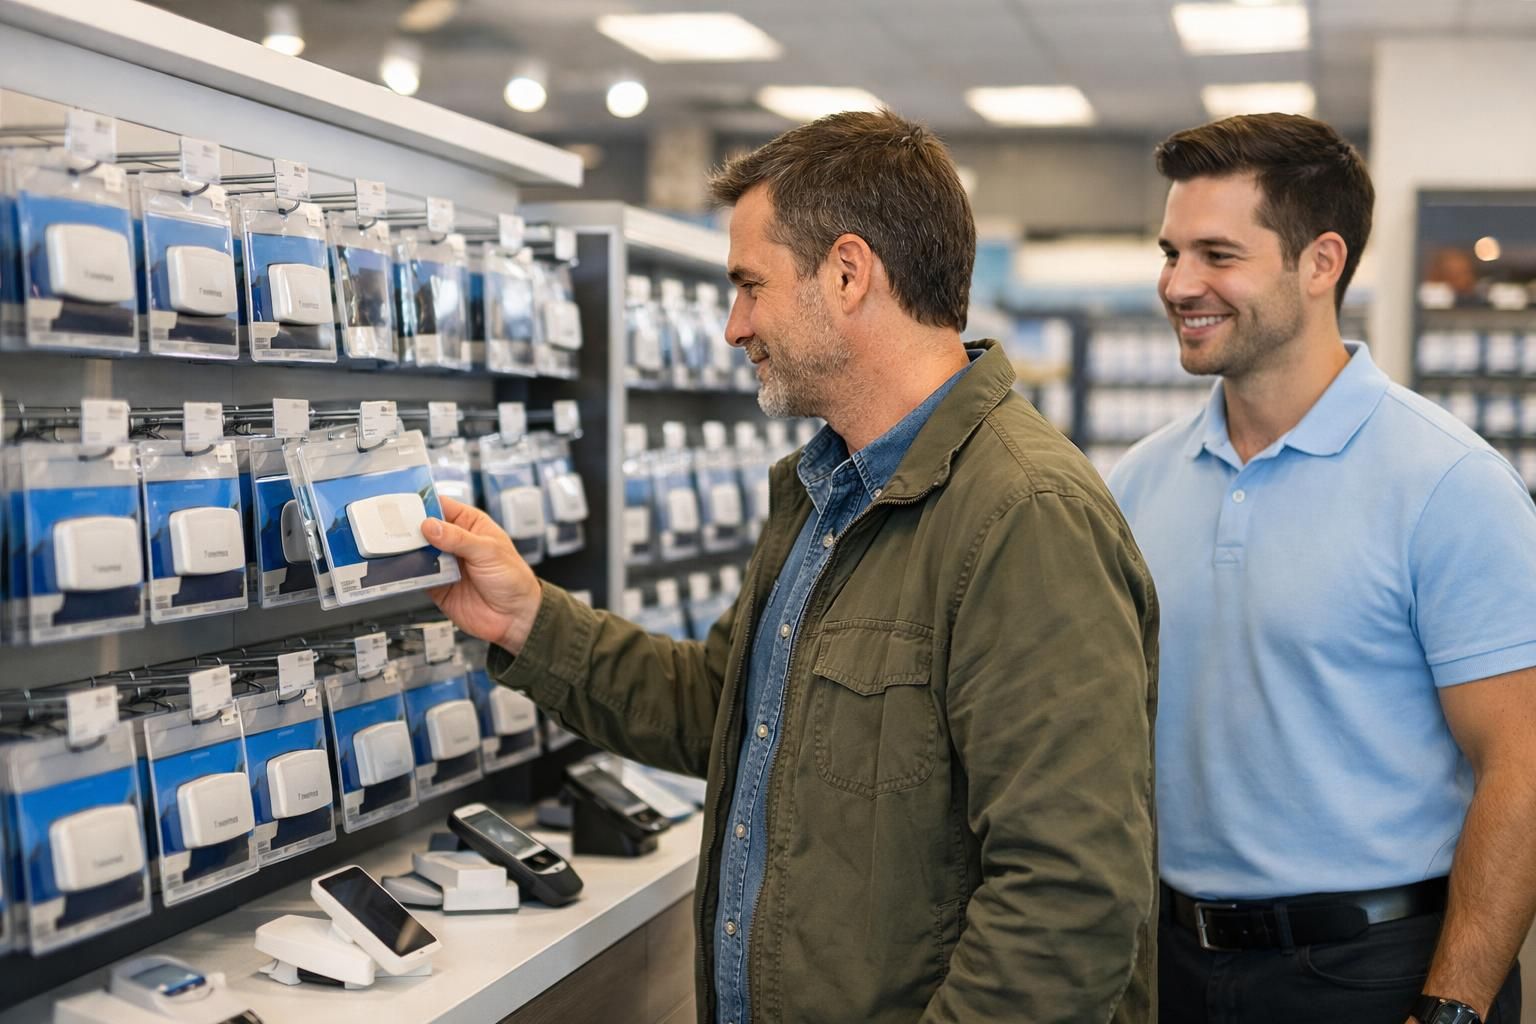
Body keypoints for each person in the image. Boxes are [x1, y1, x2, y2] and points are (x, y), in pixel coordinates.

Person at [422, 109, 1158, 1023]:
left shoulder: (1024, 518)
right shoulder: (825, 495)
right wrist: (528, 620)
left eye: (749, 285)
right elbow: (724, 707)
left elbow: (1069, 902)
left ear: (848, 273)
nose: (734, 326)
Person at [1108, 112, 1536, 1024]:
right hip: (1172, 964)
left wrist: (1454, 1007)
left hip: (1377, 973)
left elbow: (1523, 767)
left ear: (1320, 262)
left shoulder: (1447, 483)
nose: (1180, 284)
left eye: (1217, 254)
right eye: (1170, 251)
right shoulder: (1136, 484)